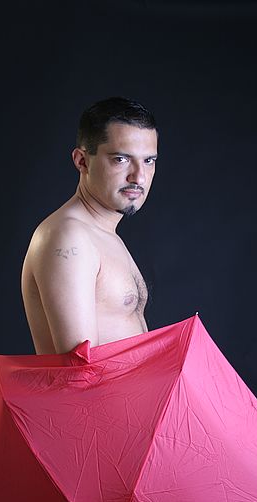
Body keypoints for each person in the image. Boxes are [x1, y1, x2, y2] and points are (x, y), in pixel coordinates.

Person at [21, 97, 158, 354]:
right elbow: (80, 371)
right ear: (82, 161)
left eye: (149, 161)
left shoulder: (103, 233)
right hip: (97, 395)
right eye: (121, 159)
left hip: (130, 395)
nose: (138, 176)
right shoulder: (68, 237)